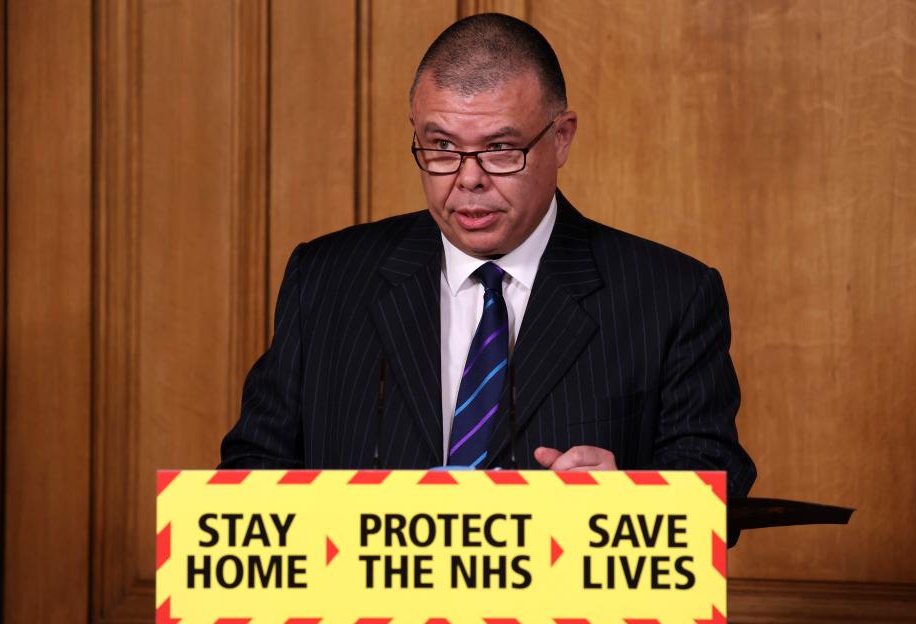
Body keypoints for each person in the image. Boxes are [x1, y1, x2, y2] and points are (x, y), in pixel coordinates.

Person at [220, 13, 755, 497]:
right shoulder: (326, 280)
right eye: (443, 148)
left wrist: (632, 502)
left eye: (500, 149)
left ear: (561, 138)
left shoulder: (671, 296)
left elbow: (716, 479)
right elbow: (250, 473)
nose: (468, 179)